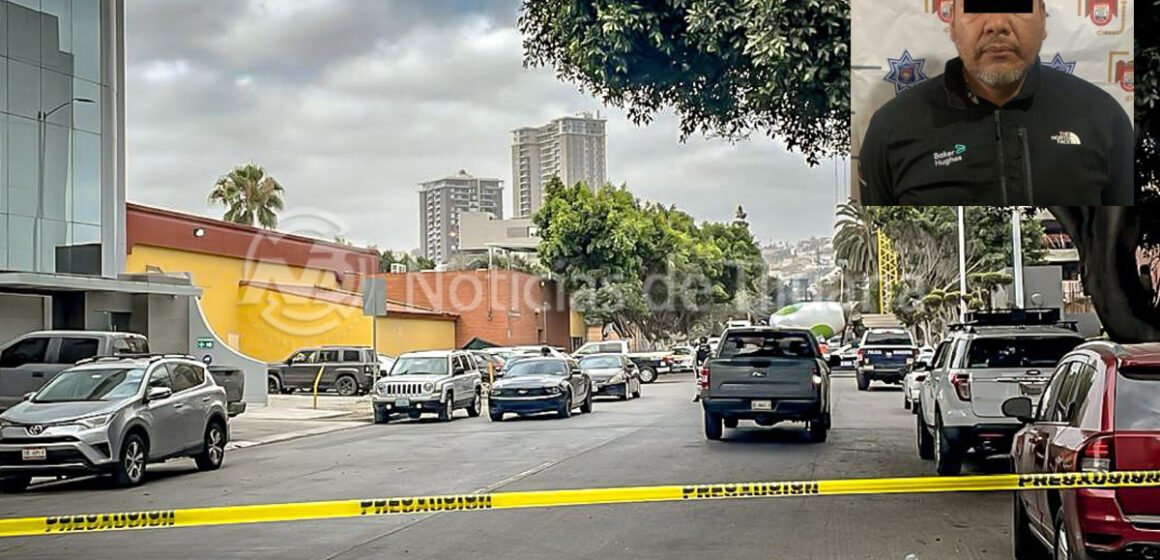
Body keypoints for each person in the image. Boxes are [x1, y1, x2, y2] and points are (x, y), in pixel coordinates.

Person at [859, 0, 1133, 205]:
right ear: (952, 24)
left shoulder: (1103, 117)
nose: (996, 24)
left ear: (1043, 21)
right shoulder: (891, 128)